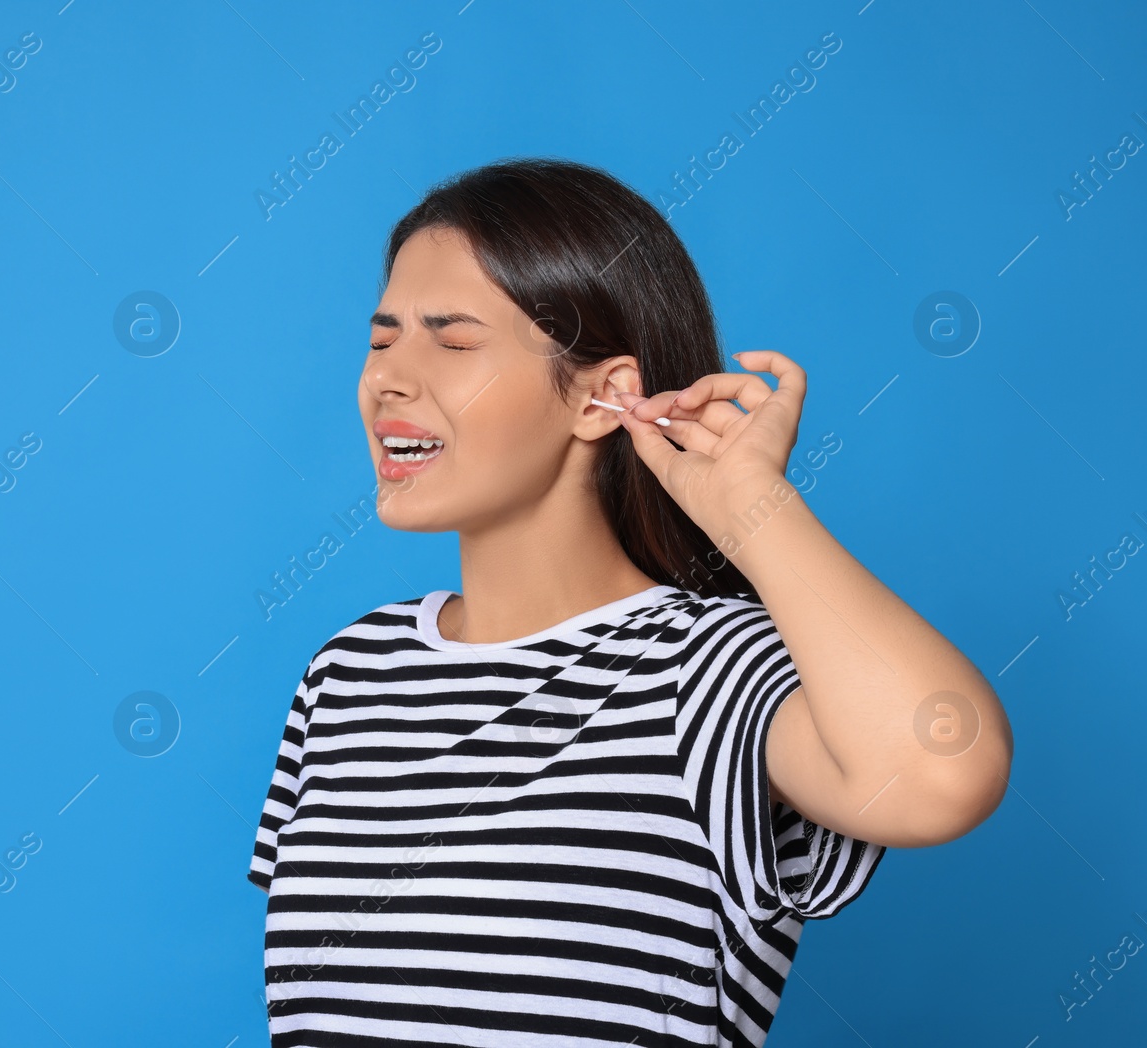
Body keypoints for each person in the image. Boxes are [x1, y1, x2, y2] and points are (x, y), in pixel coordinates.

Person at [248, 157, 1012, 1047]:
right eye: (382, 339)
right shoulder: (349, 675)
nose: (387, 378)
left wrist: (750, 512)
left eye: (452, 342)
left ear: (602, 397)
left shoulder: (705, 671)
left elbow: (942, 769)